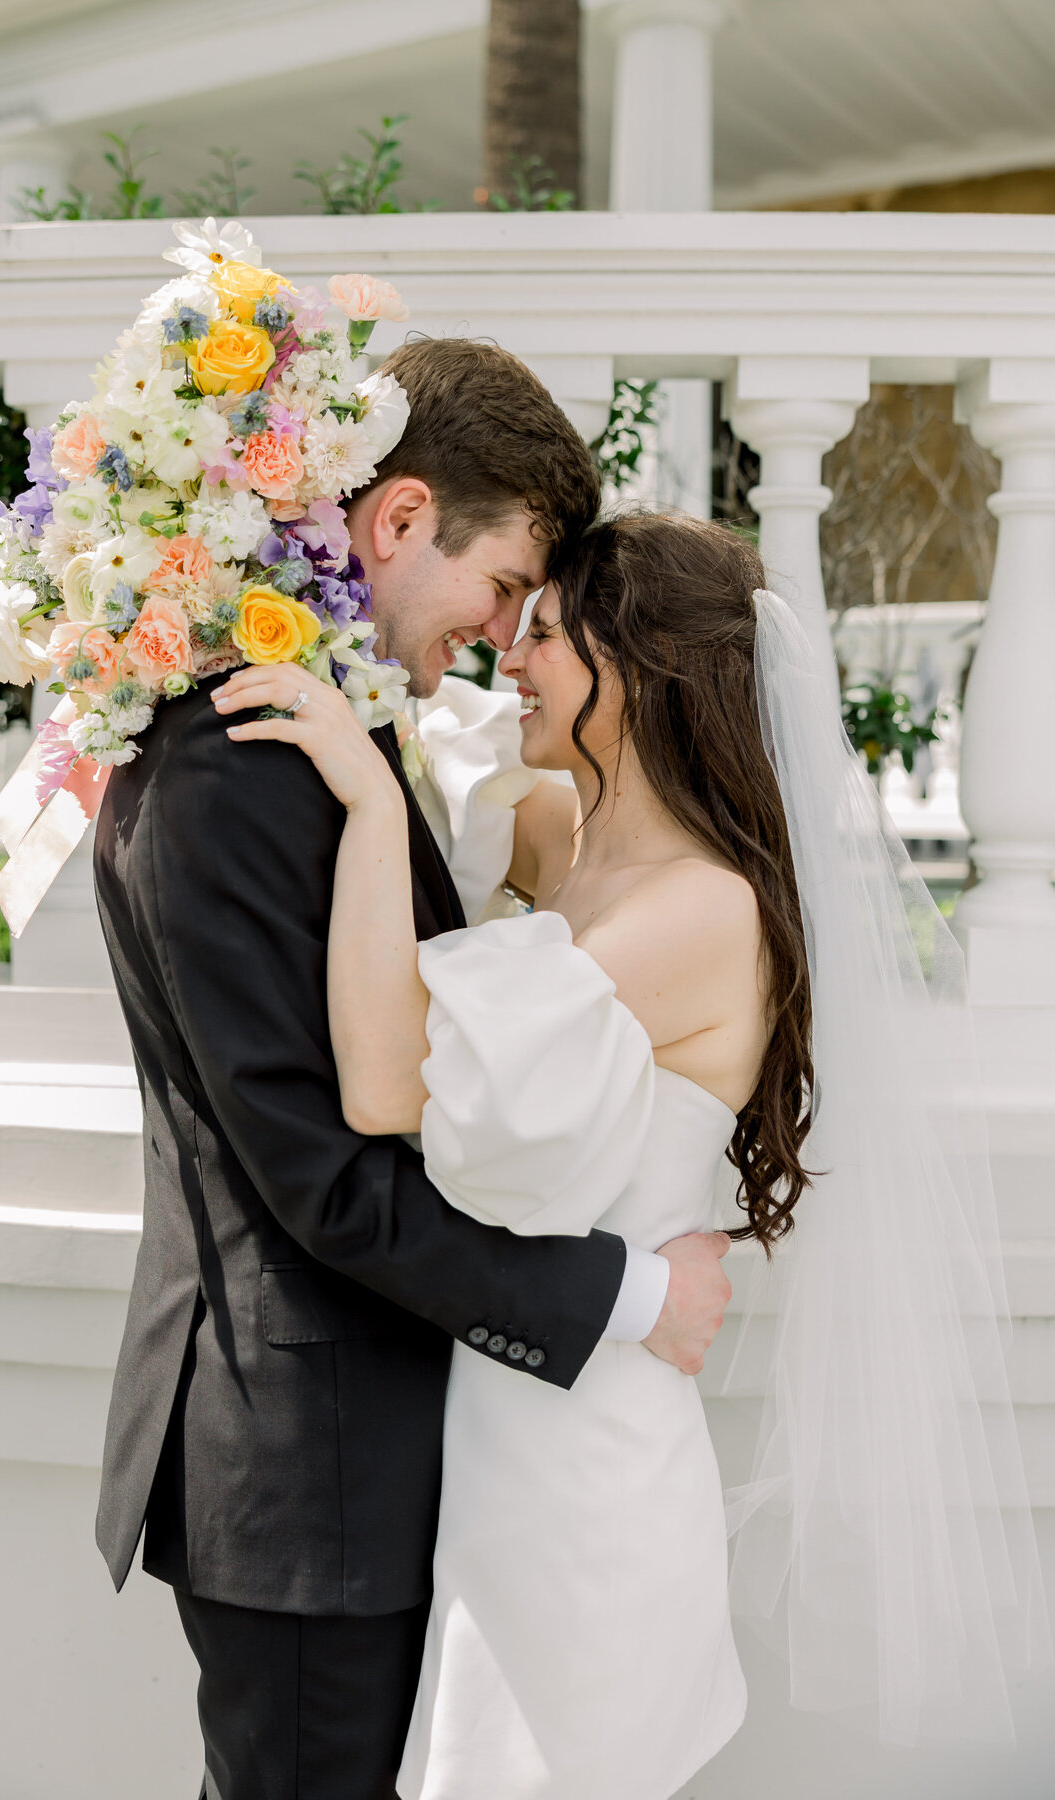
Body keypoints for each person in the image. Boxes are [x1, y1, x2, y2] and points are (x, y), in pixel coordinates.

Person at [216, 504, 1048, 1794]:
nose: (513, 652)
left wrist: (372, 809)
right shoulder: (560, 832)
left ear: (642, 670)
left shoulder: (702, 910)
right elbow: (462, 762)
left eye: (547, 630)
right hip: (490, 1430)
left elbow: (387, 1087)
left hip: (584, 1468)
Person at [92, 344, 734, 1800]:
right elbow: (325, 1175)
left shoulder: (321, 732)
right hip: (307, 1468)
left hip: (384, 1461)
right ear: (398, 522)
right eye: (506, 586)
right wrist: (627, 1293)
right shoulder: (237, 760)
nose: (507, 636)